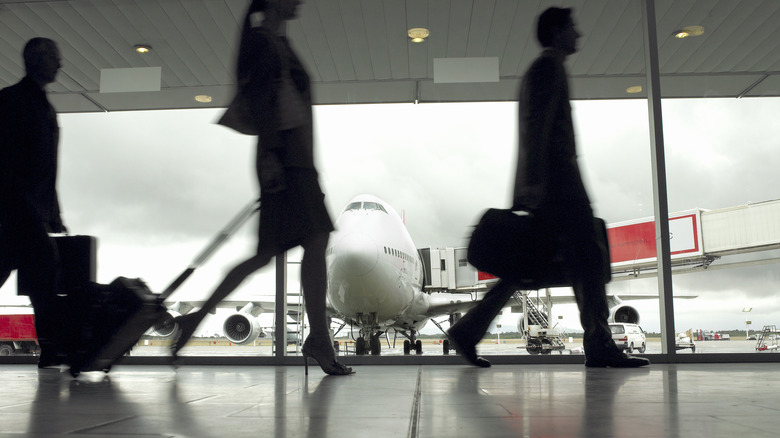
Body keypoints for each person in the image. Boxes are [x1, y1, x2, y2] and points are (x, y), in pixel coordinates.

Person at [448, 8, 649, 368]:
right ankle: (600, 345)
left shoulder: (542, 71)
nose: (579, 34)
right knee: (588, 261)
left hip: (551, 190)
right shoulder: (547, 69)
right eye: (573, 27)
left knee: (527, 269)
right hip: (560, 191)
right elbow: (538, 132)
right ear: (557, 32)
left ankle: (468, 331)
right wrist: (536, 191)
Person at [171, 0, 353, 376]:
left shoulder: (275, 41)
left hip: (294, 159)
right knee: (314, 240)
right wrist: (271, 157)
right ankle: (319, 338)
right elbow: (264, 101)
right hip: (284, 159)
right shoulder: (262, 41)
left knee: (269, 253)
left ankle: (195, 319)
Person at [0, 37, 69, 367]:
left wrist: (53, 213)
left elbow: (45, 168)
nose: (60, 64)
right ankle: (52, 350)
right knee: (44, 275)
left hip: (27, 210)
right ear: (39, 61)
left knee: (41, 277)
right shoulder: (17, 103)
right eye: (55, 58)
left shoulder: (32, 104)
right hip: (17, 209)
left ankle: (52, 350)